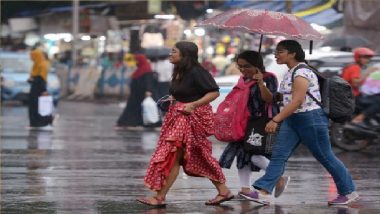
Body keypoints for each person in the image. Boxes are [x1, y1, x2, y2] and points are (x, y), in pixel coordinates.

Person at [239, 40, 358, 206]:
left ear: (292, 53)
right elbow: (272, 98)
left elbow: (297, 101)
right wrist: (260, 82)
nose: (276, 55)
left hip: (311, 119)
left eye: (280, 51)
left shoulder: (302, 72)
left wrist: (276, 119)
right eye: (276, 52)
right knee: (279, 155)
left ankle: (348, 191)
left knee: (325, 157)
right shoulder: (290, 73)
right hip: (293, 119)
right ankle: (263, 191)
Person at [137, 41, 233, 207]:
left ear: (185, 55)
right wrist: (174, 100)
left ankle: (160, 197)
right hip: (178, 116)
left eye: (174, 51)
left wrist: (193, 104)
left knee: (177, 155)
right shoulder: (179, 71)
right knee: (186, 156)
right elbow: (184, 93)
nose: (170, 54)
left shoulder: (197, 71)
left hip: (190, 118)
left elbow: (214, 92)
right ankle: (223, 191)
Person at [219, 50, 289, 198]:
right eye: (240, 67)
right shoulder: (243, 80)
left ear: (257, 64)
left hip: (261, 123)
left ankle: (278, 177)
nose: (243, 70)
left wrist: (260, 83)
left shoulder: (269, 78)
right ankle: (245, 189)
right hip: (244, 122)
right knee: (243, 154)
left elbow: (269, 99)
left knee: (254, 154)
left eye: (247, 66)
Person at [115, 54, 159, 130]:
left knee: (141, 109)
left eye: (137, 60)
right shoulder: (140, 69)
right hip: (136, 94)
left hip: (142, 94)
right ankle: (128, 122)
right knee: (134, 109)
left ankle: (135, 122)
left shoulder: (146, 69)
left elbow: (148, 81)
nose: (136, 62)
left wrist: (148, 90)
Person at [27, 49, 53, 130]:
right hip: (35, 88)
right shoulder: (36, 64)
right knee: (33, 106)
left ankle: (42, 123)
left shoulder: (43, 64)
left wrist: (44, 90)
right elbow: (34, 77)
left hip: (39, 89)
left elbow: (41, 78)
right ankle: (34, 123)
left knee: (40, 106)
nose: (31, 57)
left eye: (32, 56)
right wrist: (31, 80)